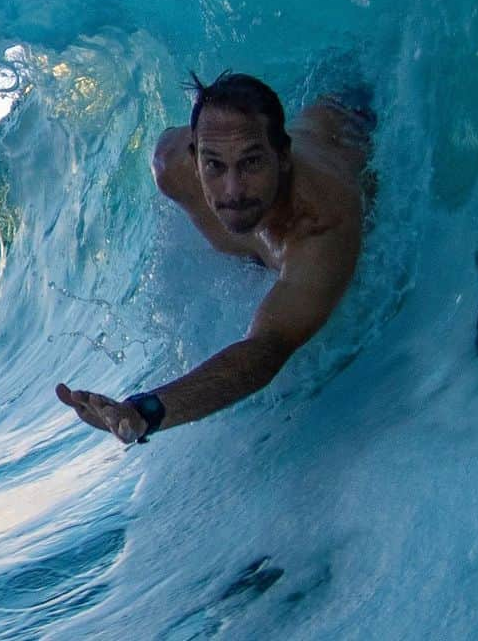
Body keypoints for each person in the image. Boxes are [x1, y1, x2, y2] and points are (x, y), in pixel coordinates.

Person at [55, 71, 375, 443]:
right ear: (195, 159)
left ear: (282, 157)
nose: (233, 189)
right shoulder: (171, 168)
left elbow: (267, 349)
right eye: (215, 165)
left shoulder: (319, 226)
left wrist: (148, 411)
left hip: (354, 114)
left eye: (252, 163)